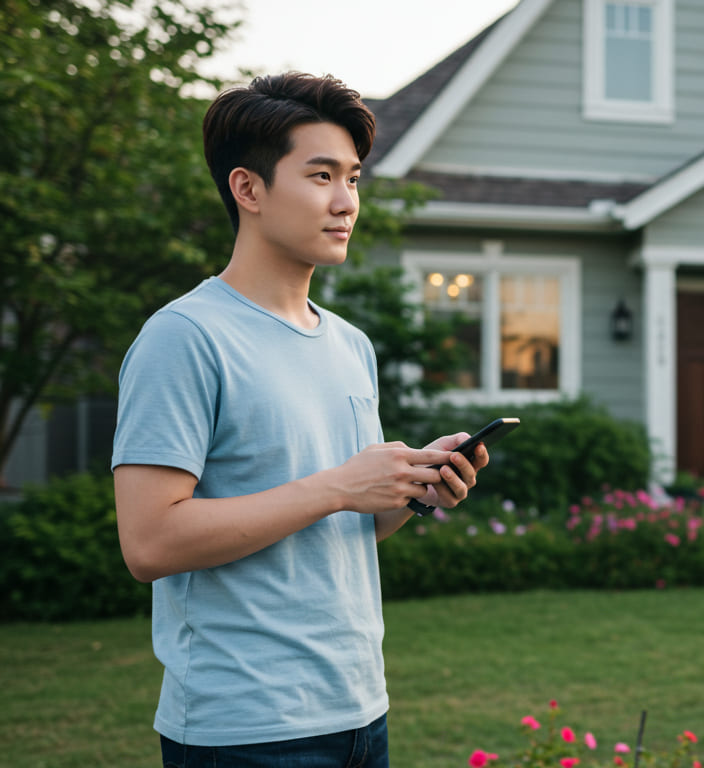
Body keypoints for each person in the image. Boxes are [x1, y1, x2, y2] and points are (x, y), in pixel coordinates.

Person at [111, 72, 483, 766]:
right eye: (320, 176)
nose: (346, 202)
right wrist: (340, 485)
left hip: (360, 712)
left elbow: (346, 525)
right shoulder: (185, 337)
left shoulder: (349, 344)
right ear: (248, 189)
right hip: (245, 728)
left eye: (353, 178)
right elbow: (150, 542)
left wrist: (410, 489)